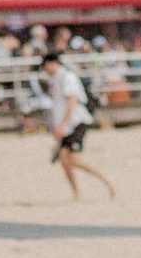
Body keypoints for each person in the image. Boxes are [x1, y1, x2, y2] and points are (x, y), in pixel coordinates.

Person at [41, 50, 114, 200]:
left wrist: (62, 125)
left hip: (76, 122)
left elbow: (72, 101)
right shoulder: (55, 79)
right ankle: (76, 193)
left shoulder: (67, 77)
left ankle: (106, 180)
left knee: (73, 160)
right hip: (67, 125)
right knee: (64, 161)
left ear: (51, 63)